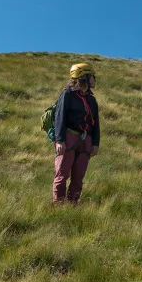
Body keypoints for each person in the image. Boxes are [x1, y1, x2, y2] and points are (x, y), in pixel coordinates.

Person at [52, 63, 101, 203]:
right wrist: (60, 140)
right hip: (68, 138)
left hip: (86, 142)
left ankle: (73, 204)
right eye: (92, 76)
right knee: (62, 174)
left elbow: (96, 124)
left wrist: (96, 144)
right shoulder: (67, 94)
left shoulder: (92, 100)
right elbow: (59, 117)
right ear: (84, 77)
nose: (94, 80)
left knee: (79, 176)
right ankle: (58, 205)